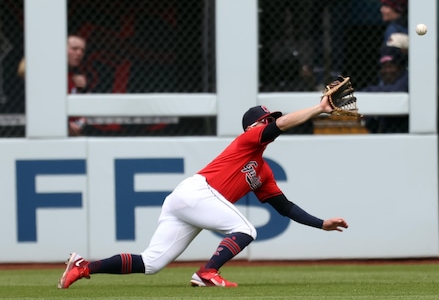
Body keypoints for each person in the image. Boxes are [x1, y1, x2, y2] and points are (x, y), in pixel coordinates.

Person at [57, 100, 349, 289]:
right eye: (264, 120)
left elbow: (284, 207)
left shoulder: (262, 171)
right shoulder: (248, 139)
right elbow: (282, 125)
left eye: (269, 119)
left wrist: (321, 223)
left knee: (151, 263)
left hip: (188, 202)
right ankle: (207, 272)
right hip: (198, 192)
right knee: (245, 228)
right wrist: (318, 108)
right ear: (251, 127)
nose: (269, 122)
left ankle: (84, 267)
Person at [360, 45, 408, 133]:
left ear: (400, 67)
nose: (386, 71)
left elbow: (395, 91)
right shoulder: (382, 83)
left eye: (390, 66)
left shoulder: (407, 78)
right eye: (383, 67)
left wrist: (367, 92)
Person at [67, 34, 88, 136]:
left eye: (82, 50)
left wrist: (82, 90)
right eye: (74, 49)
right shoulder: (53, 75)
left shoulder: (74, 76)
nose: (79, 53)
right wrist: (65, 125)